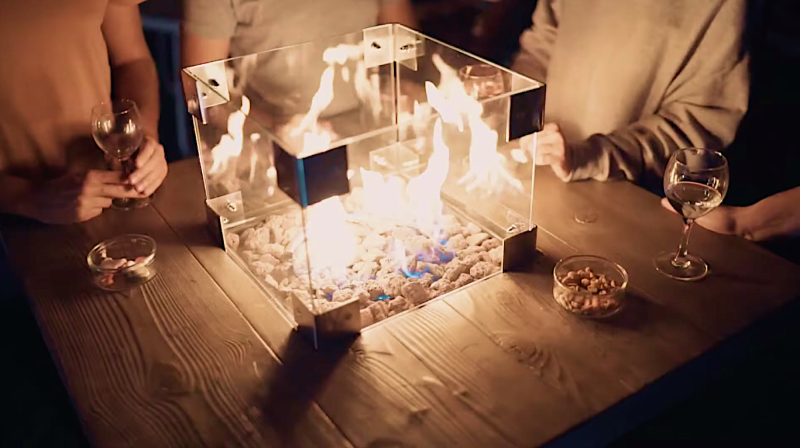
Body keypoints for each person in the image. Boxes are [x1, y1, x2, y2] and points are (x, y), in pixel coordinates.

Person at [513, 0, 750, 192]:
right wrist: (515, 100)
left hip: (620, 196)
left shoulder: (718, 9)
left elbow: (699, 122)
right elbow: (542, 46)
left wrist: (594, 157)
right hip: (533, 173)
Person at [0, 0, 167, 225]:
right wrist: (27, 198)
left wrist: (142, 139)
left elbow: (132, 60)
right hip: (12, 220)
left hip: (109, 193)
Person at [181, 0, 418, 67]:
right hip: (273, 154)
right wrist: (270, 128)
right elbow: (204, 92)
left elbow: (404, 47)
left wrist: (406, 93)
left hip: (371, 136)